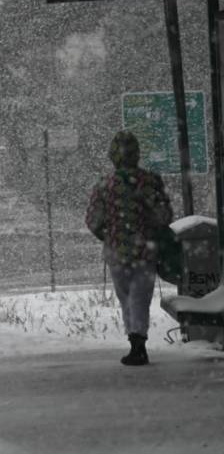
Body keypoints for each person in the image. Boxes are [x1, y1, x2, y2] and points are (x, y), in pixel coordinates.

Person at [85, 131, 173, 366]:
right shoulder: (151, 181)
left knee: (127, 298)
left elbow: (93, 220)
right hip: (145, 250)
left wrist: (107, 234)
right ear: (137, 153)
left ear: (113, 156)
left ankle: (135, 342)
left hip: (116, 251)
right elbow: (164, 216)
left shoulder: (104, 185)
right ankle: (138, 341)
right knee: (140, 298)